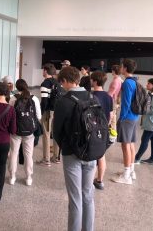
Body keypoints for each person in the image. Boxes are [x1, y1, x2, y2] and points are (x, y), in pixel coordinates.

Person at [53, 66, 96, 231]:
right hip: (91, 152)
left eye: (62, 83)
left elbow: (56, 132)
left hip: (72, 154)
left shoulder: (64, 101)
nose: (62, 87)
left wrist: (65, 146)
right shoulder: (93, 98)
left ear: (64, 81)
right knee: (88, 196)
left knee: (75, 198)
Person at [111, 59, 139, 185]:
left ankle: (126, 175)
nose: (120, 68)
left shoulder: (127, 83)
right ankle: (131, 171)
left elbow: (126, 103)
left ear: (125, 68)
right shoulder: (134, 81)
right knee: (131, 144)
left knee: (125, 146)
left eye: (122, 66)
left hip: (127, 118)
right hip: (133, 117)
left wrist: (121, 118)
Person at [8, 79, 41, 186]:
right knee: (28, 155)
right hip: (29, 132)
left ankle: (12, 177)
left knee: (13, 153)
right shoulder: (34, 98)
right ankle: (28, 178)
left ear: (17, 87)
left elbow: (9, 115)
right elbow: (39, 116)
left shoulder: (13, 98)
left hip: (16, 131)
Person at [90, 71, 113, 190]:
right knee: (101, 155)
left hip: (93, 129)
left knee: (92, 157)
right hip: (104, 129)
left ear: (94, 81)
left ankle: (88, 182)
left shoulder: (91, 96)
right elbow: (111, 114)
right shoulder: (109, 97)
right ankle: (99, 181)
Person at [38, 63, 59, 166]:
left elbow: (44, 101)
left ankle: (46, 160)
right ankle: (56, 157)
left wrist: (41, 113)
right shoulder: (57, 82)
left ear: (46, 71)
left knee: (46, 134)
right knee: (56, 134)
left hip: (48, 111)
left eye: (43, 70)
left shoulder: (45, 84)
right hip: (58, 111)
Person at [107, 65, 122, 131]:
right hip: (116, 100)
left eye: (112, 70)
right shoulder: (120, 79)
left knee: (110, 118)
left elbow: (110, 93)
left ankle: (111, 134)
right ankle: (113, 133)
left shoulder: (115, 81)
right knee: (113, 117)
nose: (111, 72)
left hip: (112, 101)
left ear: (114, 71)